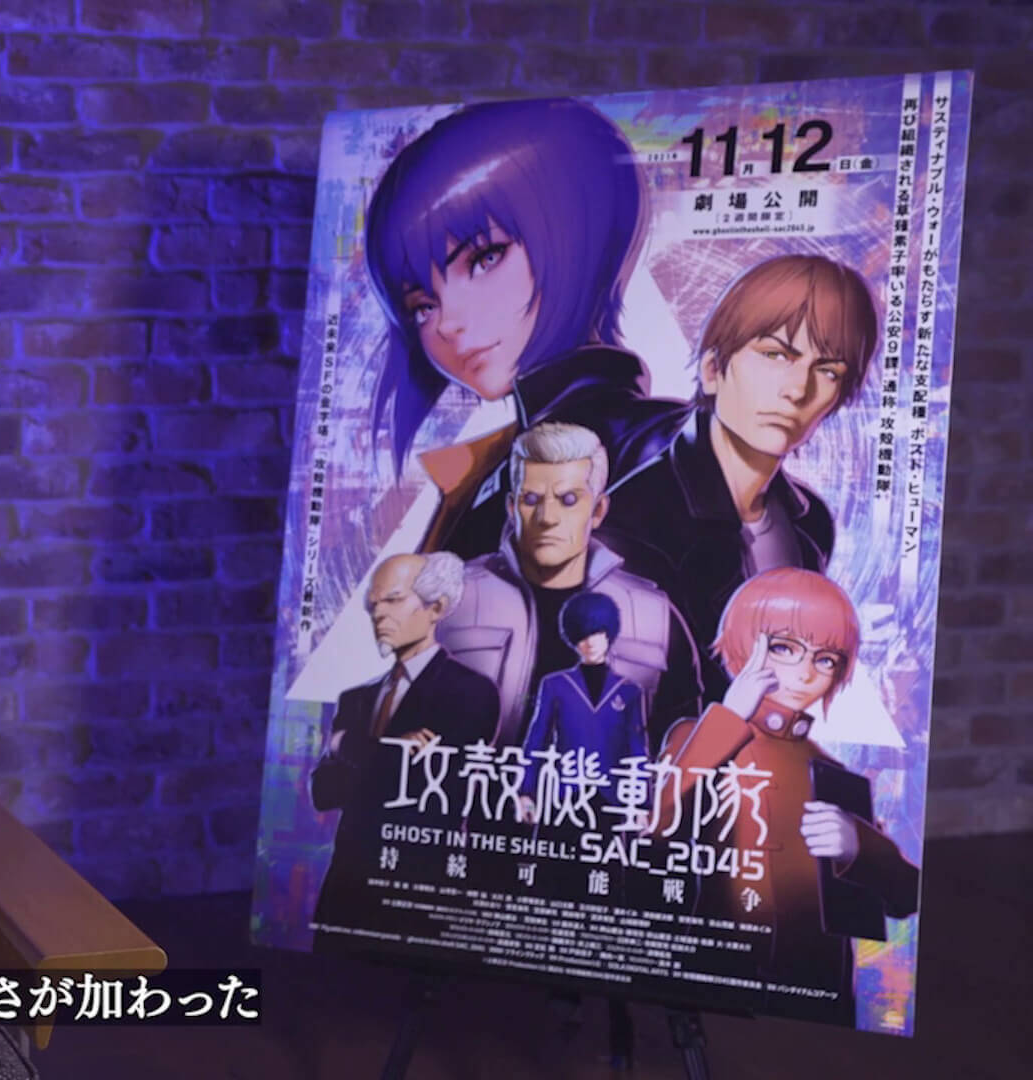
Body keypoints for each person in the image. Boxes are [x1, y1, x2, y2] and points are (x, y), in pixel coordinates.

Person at [362, 97, 680, 561]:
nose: (447, 324)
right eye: (423, 306)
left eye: (484, 259)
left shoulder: (657, 446)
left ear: (577, 229)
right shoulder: (491, 469)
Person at [597, 254, 877, 704]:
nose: (797, 390)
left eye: (828, 371)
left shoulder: (810, 524)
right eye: (775, 355)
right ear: (712, 370)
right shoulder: (633, 520)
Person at [650, 568, 919, 1026]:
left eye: (826, 659)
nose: (805, 673)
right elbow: (657, 825)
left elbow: (905, 895)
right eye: (784, 648)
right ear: (743, 642)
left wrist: (859, 845)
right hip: (716, 974)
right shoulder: (699, 737)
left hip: (818, 987)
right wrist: (731, 715)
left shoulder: (832, 773)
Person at [436, 422, 700, 752]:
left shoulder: (654, 616)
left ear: (598, 510)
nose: (547, 517)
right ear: (511, 508)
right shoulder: (450, 599)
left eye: (569, 499)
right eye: (531, 499)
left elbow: (687, 745)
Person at [308, 552, 499, 941]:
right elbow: (323, 792)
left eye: (393, 599)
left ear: (437, 607)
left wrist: (346, 745)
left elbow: (423, 787)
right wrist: (388, 751)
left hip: (418, 890)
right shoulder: (356, 699)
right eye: (373, 604)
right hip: (346, 890)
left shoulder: (471, 692)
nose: (378, 613)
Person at [519, 591, 646, 807]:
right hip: (564, 794)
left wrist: (642, 804)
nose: (590, 642)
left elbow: (637, 748)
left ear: (608, 634)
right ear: (573, 640)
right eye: (582, 636)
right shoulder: (555, 685)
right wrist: (525, 792)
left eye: (597, 633)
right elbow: (536, 739)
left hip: (611, 796)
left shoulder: (628, 690)